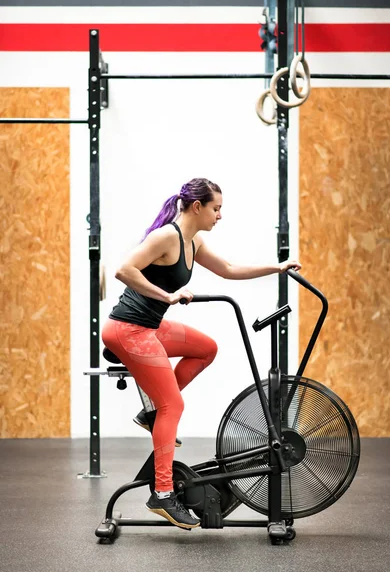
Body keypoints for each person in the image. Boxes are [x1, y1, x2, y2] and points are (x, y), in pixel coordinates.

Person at [102, 177, 301, 530]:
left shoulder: (195, 241)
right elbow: (123, 270)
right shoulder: (166, 236)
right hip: (127, 329)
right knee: (172, 406)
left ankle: (152, 413)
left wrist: (277, 267)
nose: (220, 215)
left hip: (149, 328)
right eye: (216, 208)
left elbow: (229, 270)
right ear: (198, 207)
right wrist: (167, 297)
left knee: (205, 348)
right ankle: (162, 493)